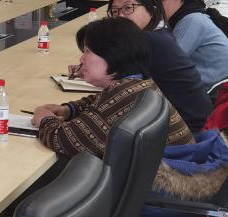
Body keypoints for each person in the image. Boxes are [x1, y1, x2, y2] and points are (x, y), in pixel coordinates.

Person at [33, 18, 195, 158]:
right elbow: (101, 104)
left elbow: (64, 141)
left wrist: (45, 120)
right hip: (171, 171)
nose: (81, 59)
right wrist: (69, 110)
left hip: (166, 180)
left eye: (88, 51)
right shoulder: (137, 84)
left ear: (113, 54)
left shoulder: (125, 96)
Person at [103, 0, 213, 132]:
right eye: (115, 11)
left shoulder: (149, 41)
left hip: (187, 131)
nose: (120, 16)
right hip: (190, 123)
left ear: (151, 9)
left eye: (128, 8)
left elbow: (116, 86)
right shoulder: (158, 34)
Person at [156, 0, 228, 88]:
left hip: (217, 91)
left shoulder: (191, 20)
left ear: (181, 0)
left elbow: (170, 61)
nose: (159, 5)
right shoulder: (196, 17)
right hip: (221, 86)